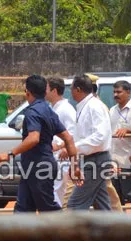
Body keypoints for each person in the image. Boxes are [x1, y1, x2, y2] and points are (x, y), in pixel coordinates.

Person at [0, 74, 81, 241]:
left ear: (28, 92)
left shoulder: (34, 112)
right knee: (22, 210)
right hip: (36, 168)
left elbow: (33, 138)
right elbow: (68, 138)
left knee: (49, 211)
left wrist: (10, 153)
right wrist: (75, 163)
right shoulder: (48, 111)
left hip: (38, 168)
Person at [58, 74, 112, 241]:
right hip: (92, 160)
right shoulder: (85, 107)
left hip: (97, 160)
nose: (70, 92)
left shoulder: (94, 107)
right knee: (104, 207)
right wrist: (69, 148)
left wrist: (74, 148)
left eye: (71, 88)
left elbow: (99, 137)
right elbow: (84, 138)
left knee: (75, 204)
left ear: (78, 89)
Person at [84, 73, 122, 212]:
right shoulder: (88, 105)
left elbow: (104, 136)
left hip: (97, 156)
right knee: (104, 193)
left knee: (106, 191)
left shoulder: (97, 107)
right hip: (90, 156)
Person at [109, 80, 131, 204]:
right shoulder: (112, 110)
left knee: (130, 197)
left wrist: (128, 131)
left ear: (128, 92)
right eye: (114, 92)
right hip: (114, 163)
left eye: (119, 92)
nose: (115, 95)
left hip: (129, 162)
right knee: (115, 199)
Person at [45, 77, 76, 208]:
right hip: (54, 155)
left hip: (61, 156)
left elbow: (73, 132)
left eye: (46, 88)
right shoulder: (53, 108)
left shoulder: (66, 109)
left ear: (54, 91)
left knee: (56, 189)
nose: (44, 91)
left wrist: (64, 147)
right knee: (55, 189)